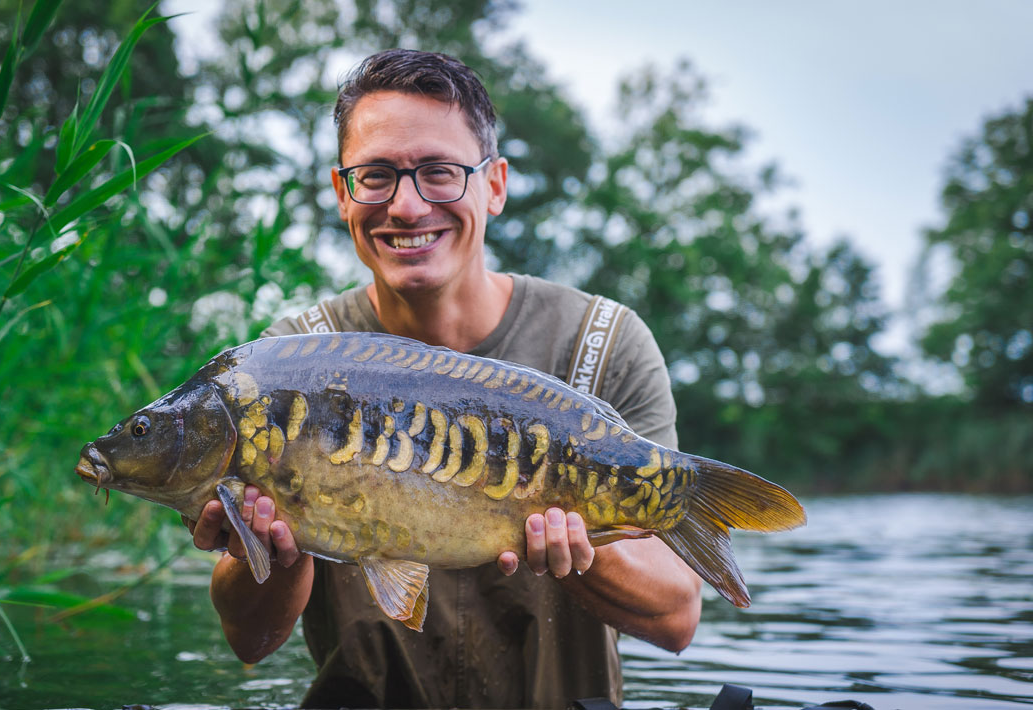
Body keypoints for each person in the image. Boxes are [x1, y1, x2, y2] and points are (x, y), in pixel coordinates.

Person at [185, 49, 702, 709]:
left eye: (439, 172)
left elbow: (677, 618)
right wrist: (270, 547)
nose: (406, 206)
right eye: (376, 176)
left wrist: (583, 546)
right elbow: (251, 640)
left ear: (495, 184)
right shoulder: (283, 363)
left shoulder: (601, 345)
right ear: (343, 192)